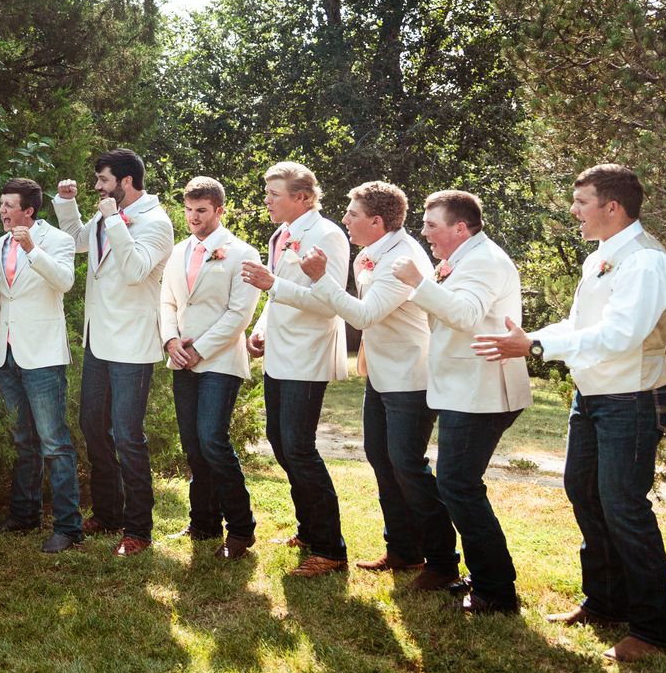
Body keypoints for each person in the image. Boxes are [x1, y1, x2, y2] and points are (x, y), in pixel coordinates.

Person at [472, 164, 666, 662]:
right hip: (594, 395)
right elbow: (584, 322)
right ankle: (606, 602)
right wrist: (531, 337)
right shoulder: (602, 258)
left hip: (632, 395)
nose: (573, 210)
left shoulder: (646, 263)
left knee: (623, 505)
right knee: (583, 491)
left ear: (613, 207)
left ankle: (652, 630)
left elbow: (621, 336)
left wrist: (537, 345)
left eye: (581, 201)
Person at [293, 181, 455, 588]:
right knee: (383, 460)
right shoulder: (369, 253)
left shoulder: (403, 258)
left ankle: (442, 563)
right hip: (382, 375)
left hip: (409, 378)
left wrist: (320, 280)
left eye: (352, 214)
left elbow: (365, 316)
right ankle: (403, 550)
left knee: (408, 465)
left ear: (377, 221)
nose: (345, 219)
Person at [395, 190, 532, 616]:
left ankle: (496, 590)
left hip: (483, 390)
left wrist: (419, 284)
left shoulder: (485, 261)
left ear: (460, 227)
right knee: (458, 484)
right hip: (465, 389)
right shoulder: (463, 258)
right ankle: (485, 576)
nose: (423, 232)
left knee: (458, 484)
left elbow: (468, 315)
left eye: (431, 225)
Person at [53, 149, 176, 555]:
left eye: (103, 180)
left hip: (132, 346)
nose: (97, 188)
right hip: (98, 342)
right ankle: (108, 512)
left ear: (125, 181)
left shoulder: (156, 223)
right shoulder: (107, 216)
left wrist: (111, 220)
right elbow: (73, 243)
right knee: (92, 426)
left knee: (128, 436)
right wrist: (67, 204)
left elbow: (136, 269)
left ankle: (138, 529)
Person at [242, 161, 351, 576]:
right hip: (280, 351)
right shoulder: (281, 234)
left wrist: (273, 284)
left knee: (300, 448)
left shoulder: (327, 235)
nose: (266, 200)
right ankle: (308, 530)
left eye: (274, 194)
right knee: (282, 442)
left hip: (307, 354)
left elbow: (328, 301)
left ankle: (330, 549)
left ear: (302, 197)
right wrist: (262, 329)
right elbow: (277, 295)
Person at [156, 177, 261, 559]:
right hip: (180, 358)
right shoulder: (178, 251)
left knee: (213, 441)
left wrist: (199, 349)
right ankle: (203, 524)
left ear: (219, 210)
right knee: (193, 447)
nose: (193, 217)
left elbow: (239, 314)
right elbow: (166, 302)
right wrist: (171, 341)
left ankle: (241, 530)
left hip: (219, 360)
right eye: (188, 210)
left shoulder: (241, 252)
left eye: (201, 211)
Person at [0, 177, 82, 553]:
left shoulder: (57, 240)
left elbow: (66, 282)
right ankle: (24, 515)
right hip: (7, 354)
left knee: (54, 443)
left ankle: (68, 527)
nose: (3, 211)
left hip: (42, 356)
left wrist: (32, 249)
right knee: (22, 439)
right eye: (2, 205)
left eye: (9, 205)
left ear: (29, 210)